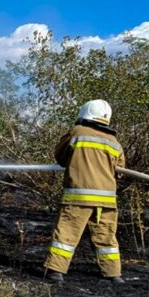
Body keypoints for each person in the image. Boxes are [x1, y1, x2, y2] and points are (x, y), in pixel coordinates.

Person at [44, 99, 126, 284]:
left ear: (85, 113)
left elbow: (61, 157)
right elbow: (120, 170)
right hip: (106, 200)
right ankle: (114, 274)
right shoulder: (114, 142)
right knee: (106, 237)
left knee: (66, 235)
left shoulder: (77, 133)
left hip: (78, 197)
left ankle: (56, 271)